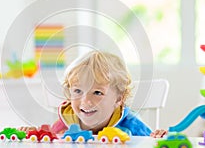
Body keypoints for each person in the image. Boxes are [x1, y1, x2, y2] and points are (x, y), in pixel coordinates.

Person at [20, 50, 167, 138]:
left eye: (97, 92)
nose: (86, 101)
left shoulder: (132, 123)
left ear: (118, 98)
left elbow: (151, 146)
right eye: (77, 91)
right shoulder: (67, 120)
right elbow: (50, 142)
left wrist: (159, 137)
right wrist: (35, 134)